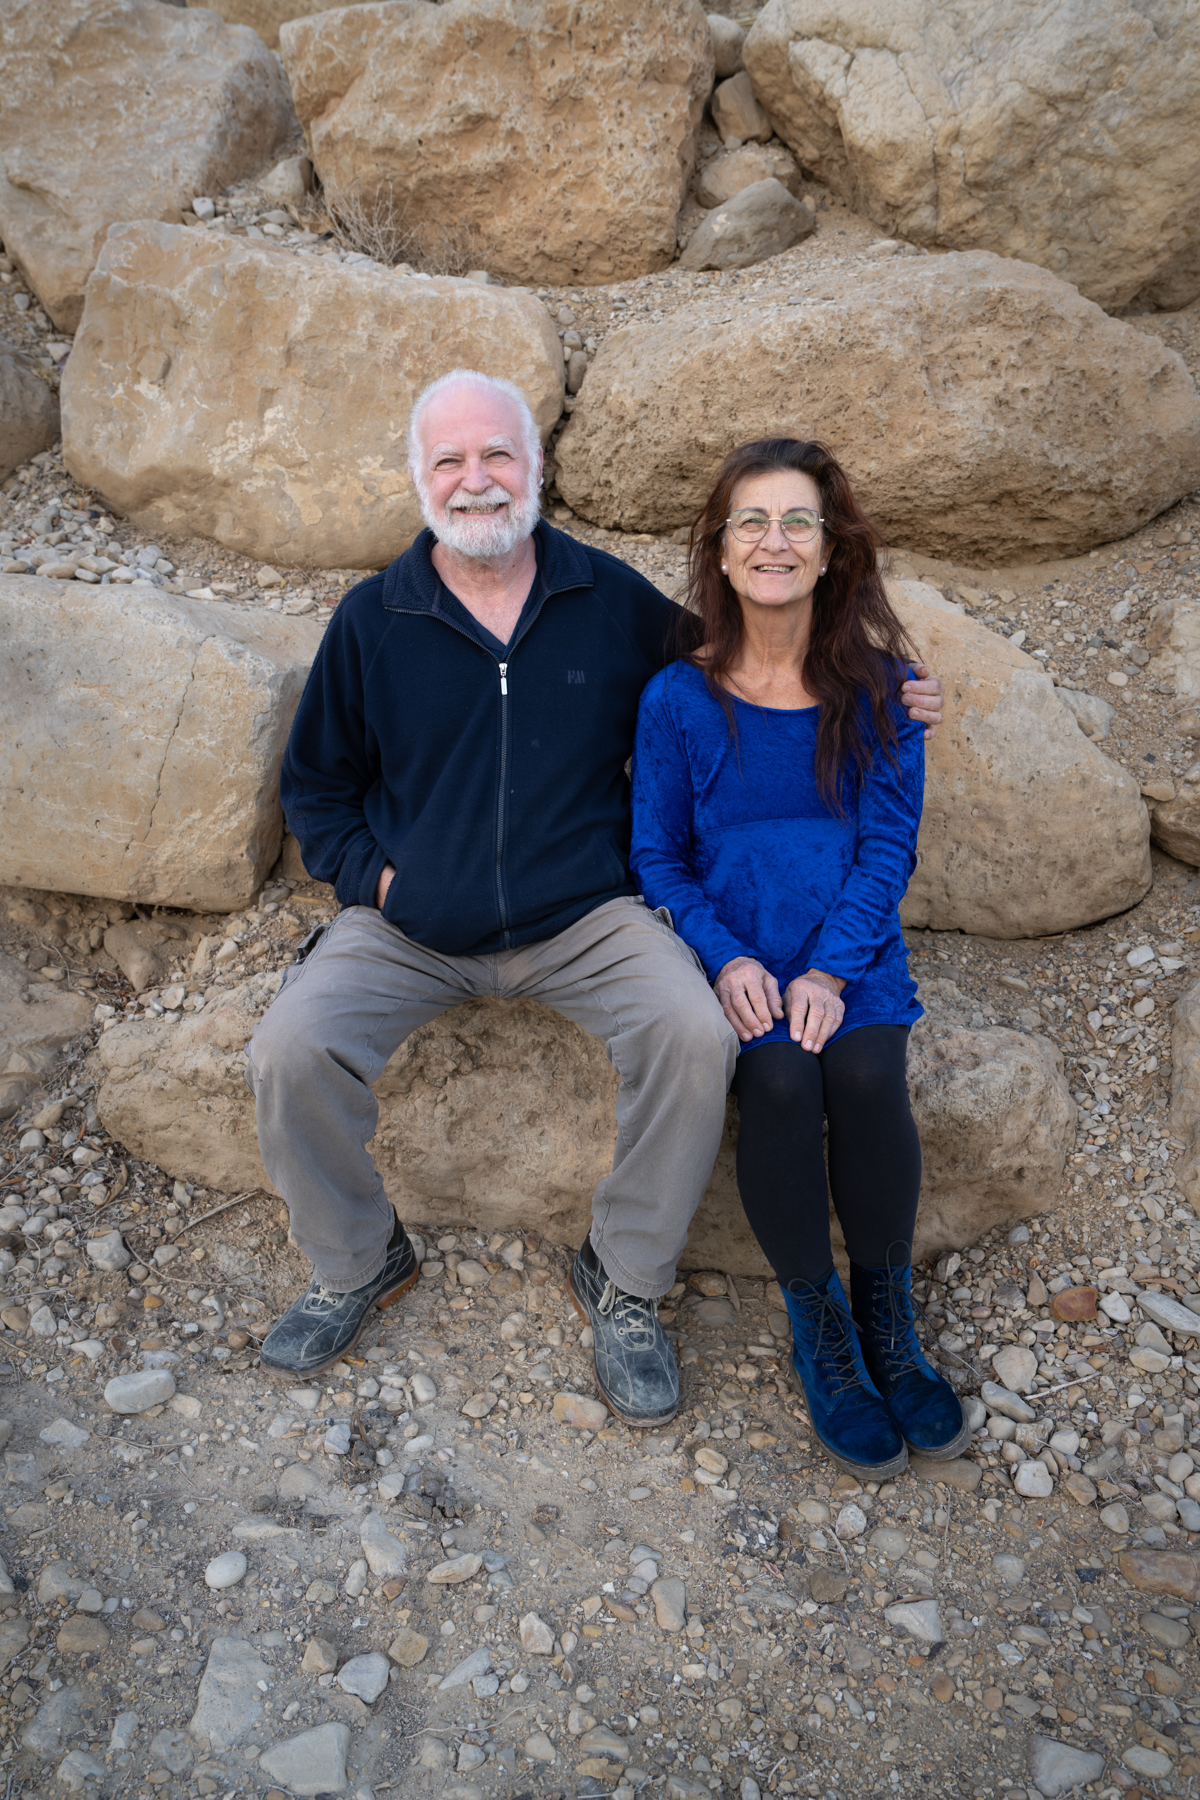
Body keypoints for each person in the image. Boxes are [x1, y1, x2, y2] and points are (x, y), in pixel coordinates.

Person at [245, 371, 945, 1433]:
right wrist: (383, 884)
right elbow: (317, 791)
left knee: (693, 1034)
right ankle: (357, 1259)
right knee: (288, 1048)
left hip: (583, 920)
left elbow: (737, 654)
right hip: (408, 926)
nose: (476, 480)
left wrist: (889, 685)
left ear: (535, 467)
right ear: (420, 478)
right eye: (449, 460)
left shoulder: (605, 598)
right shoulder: (372, 619)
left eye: (498, 454)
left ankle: (622, 1278)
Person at [630, 436, 966, 1479]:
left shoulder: (884, 692)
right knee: (778, 1081)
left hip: (846, 949)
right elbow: (657, 856)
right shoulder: (676, 699)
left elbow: (888, 846)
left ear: (830, 551)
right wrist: (727, 959)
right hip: (739, 951)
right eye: (752, 522)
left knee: (863, 1072)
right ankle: (820, 1330)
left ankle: (886, 1318)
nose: (773, 542)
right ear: (721, 551)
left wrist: (830, 970)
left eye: (797, 523)